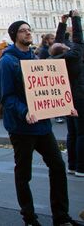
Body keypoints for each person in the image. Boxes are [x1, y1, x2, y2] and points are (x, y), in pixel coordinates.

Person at [0, 20, 82, 226]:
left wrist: (64, 105)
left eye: (29, 30)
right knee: (24, 173)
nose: (28, 33)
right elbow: (7, 97)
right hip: (21, 127)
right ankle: (29, 217)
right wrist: (24, 111)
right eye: (23, 31)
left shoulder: (35, 57)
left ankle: (61, 216)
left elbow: (50, 88)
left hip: (42, 125)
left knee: (58, 167)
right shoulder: (7, 62)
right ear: (14, 35)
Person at [49, 12, 84, 177]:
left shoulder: (58, 56)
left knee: (72, 132)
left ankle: (71, 165)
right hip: (79, 96)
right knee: (82, 132)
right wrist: (76, 20)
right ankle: (81, 167)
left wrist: (62, 24)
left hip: (67, 96)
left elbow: (57, 43)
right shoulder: (75, 55)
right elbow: (79, 40)